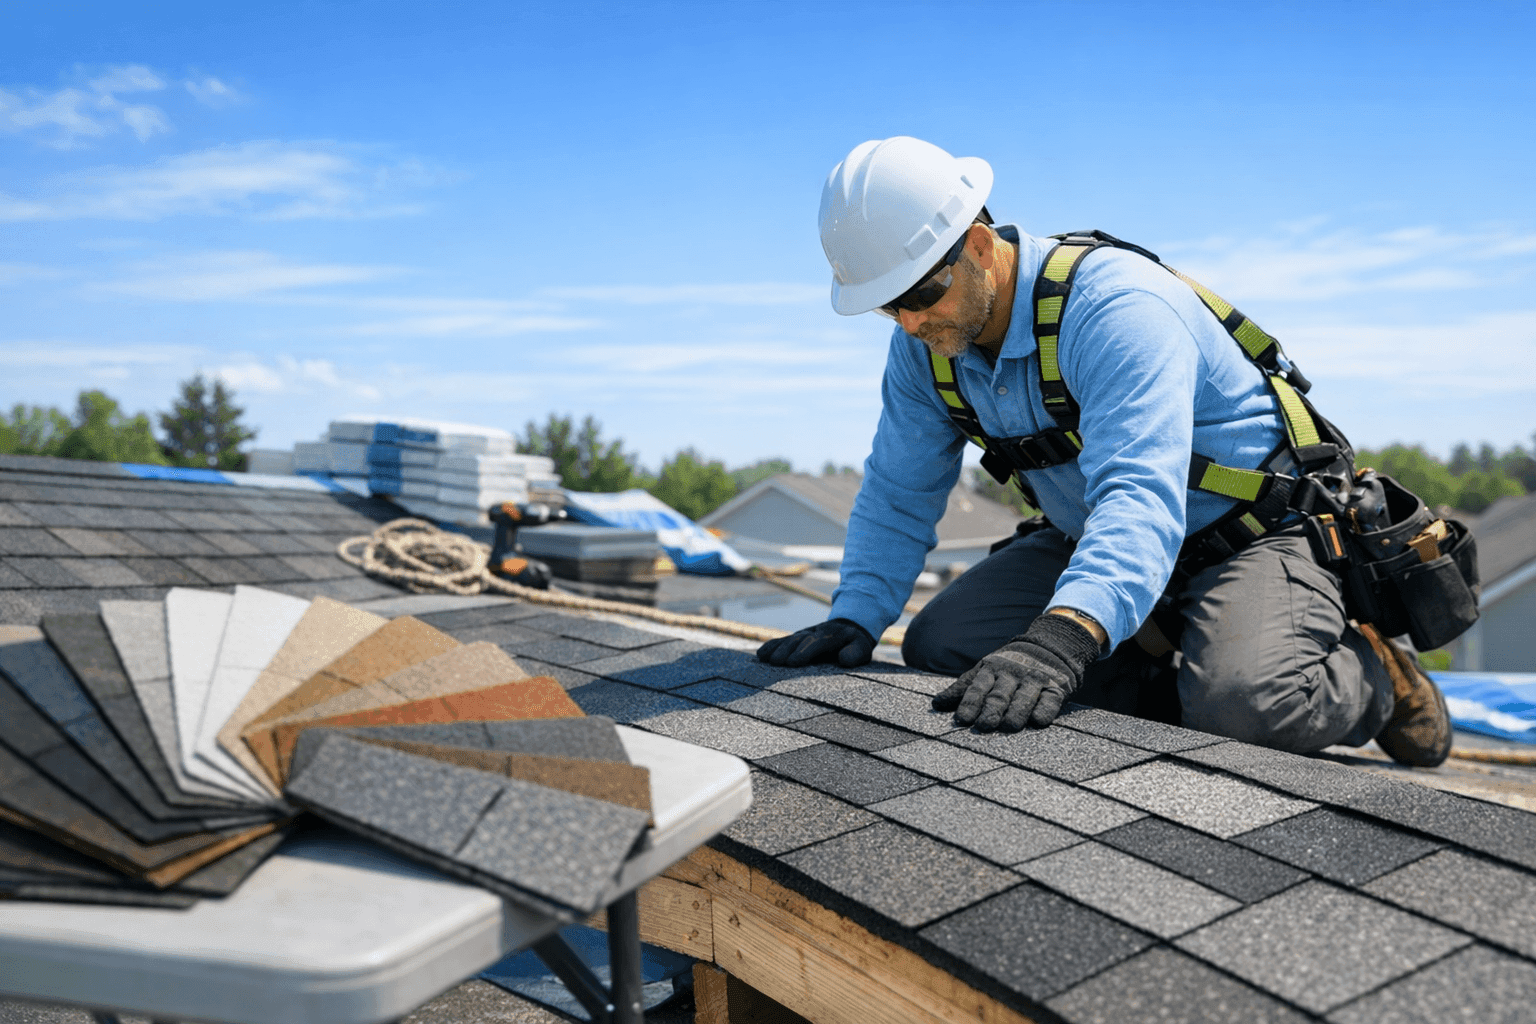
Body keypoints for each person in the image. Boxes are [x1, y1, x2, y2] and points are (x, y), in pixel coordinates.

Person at [757, 136, 1451, 766]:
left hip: (1252, 537)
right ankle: (1174, 677)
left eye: (922, 292)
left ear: (976, 244)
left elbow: (1139, 494)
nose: (910, 321)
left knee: (1245, 710)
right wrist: (856, 613)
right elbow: (897, 490)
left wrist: (1062, 638)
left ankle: (1376, 674)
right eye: (888, 306)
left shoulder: (1116, 310)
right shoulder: (927, 346)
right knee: (945, 646)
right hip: (1101, 539)